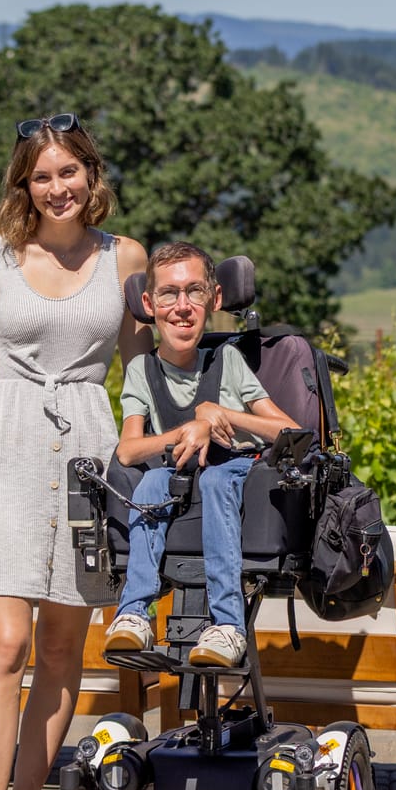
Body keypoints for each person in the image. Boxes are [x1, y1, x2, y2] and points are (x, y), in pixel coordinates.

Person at [0, 111, 149, 790]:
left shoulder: (123, 257)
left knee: (65, 650)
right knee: (3, 643)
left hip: (94, 456)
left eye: (70, 173)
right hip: (7, 450)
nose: (57, 188)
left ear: (90, 177)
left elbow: (138, 380)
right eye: (42, 176)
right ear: (23, 185)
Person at [103, 241, 299, 668]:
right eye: (170, 294)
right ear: (149, 304)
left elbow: (289, 428)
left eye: (195, 292)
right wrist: (185, 431)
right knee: (152, 480)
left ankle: (227, 623)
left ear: (215, 299)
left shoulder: (226, 360)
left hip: (230, 471)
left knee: (214, 479)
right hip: (177, 478)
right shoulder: (142, 370)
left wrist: (219, 414)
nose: (183, 306)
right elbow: (129, 448)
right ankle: (133, 614)